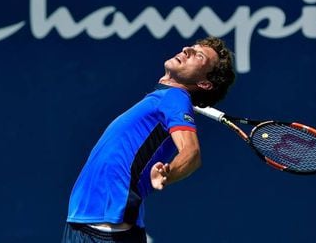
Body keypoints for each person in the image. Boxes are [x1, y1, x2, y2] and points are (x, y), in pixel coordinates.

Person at [61, 36, 236, 243]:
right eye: (192, 47)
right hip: (84, 221)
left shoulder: (175, 98)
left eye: (198, 55)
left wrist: (167, 173)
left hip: (108, 229)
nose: (187, 49)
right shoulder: (163, 98)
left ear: (204, 83)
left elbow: (192, 153)